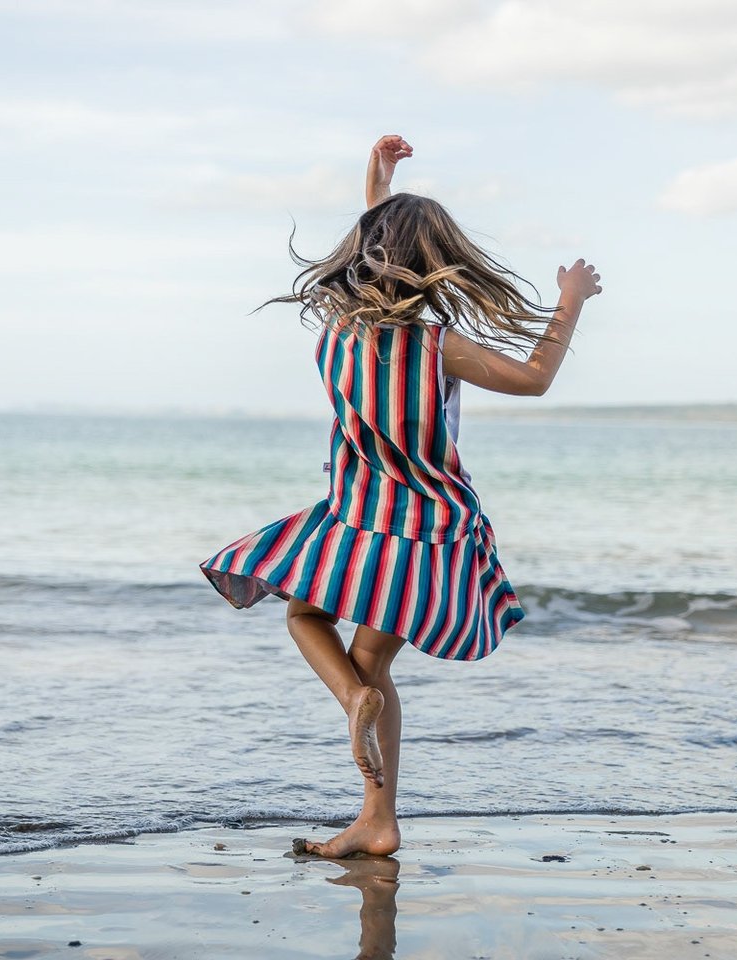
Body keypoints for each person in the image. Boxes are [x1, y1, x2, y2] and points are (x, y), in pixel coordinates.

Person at [200, 134, 601, 858]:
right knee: (374, 661)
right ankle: (376, 812)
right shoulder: (439, 346)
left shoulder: (337, 332)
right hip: (430, 533)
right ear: (434, 266)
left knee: (302, 615)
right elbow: (537, 377)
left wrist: (377, 187)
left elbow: (383, 251)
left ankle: (361, 739)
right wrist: (569, 303)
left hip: (356, 520)